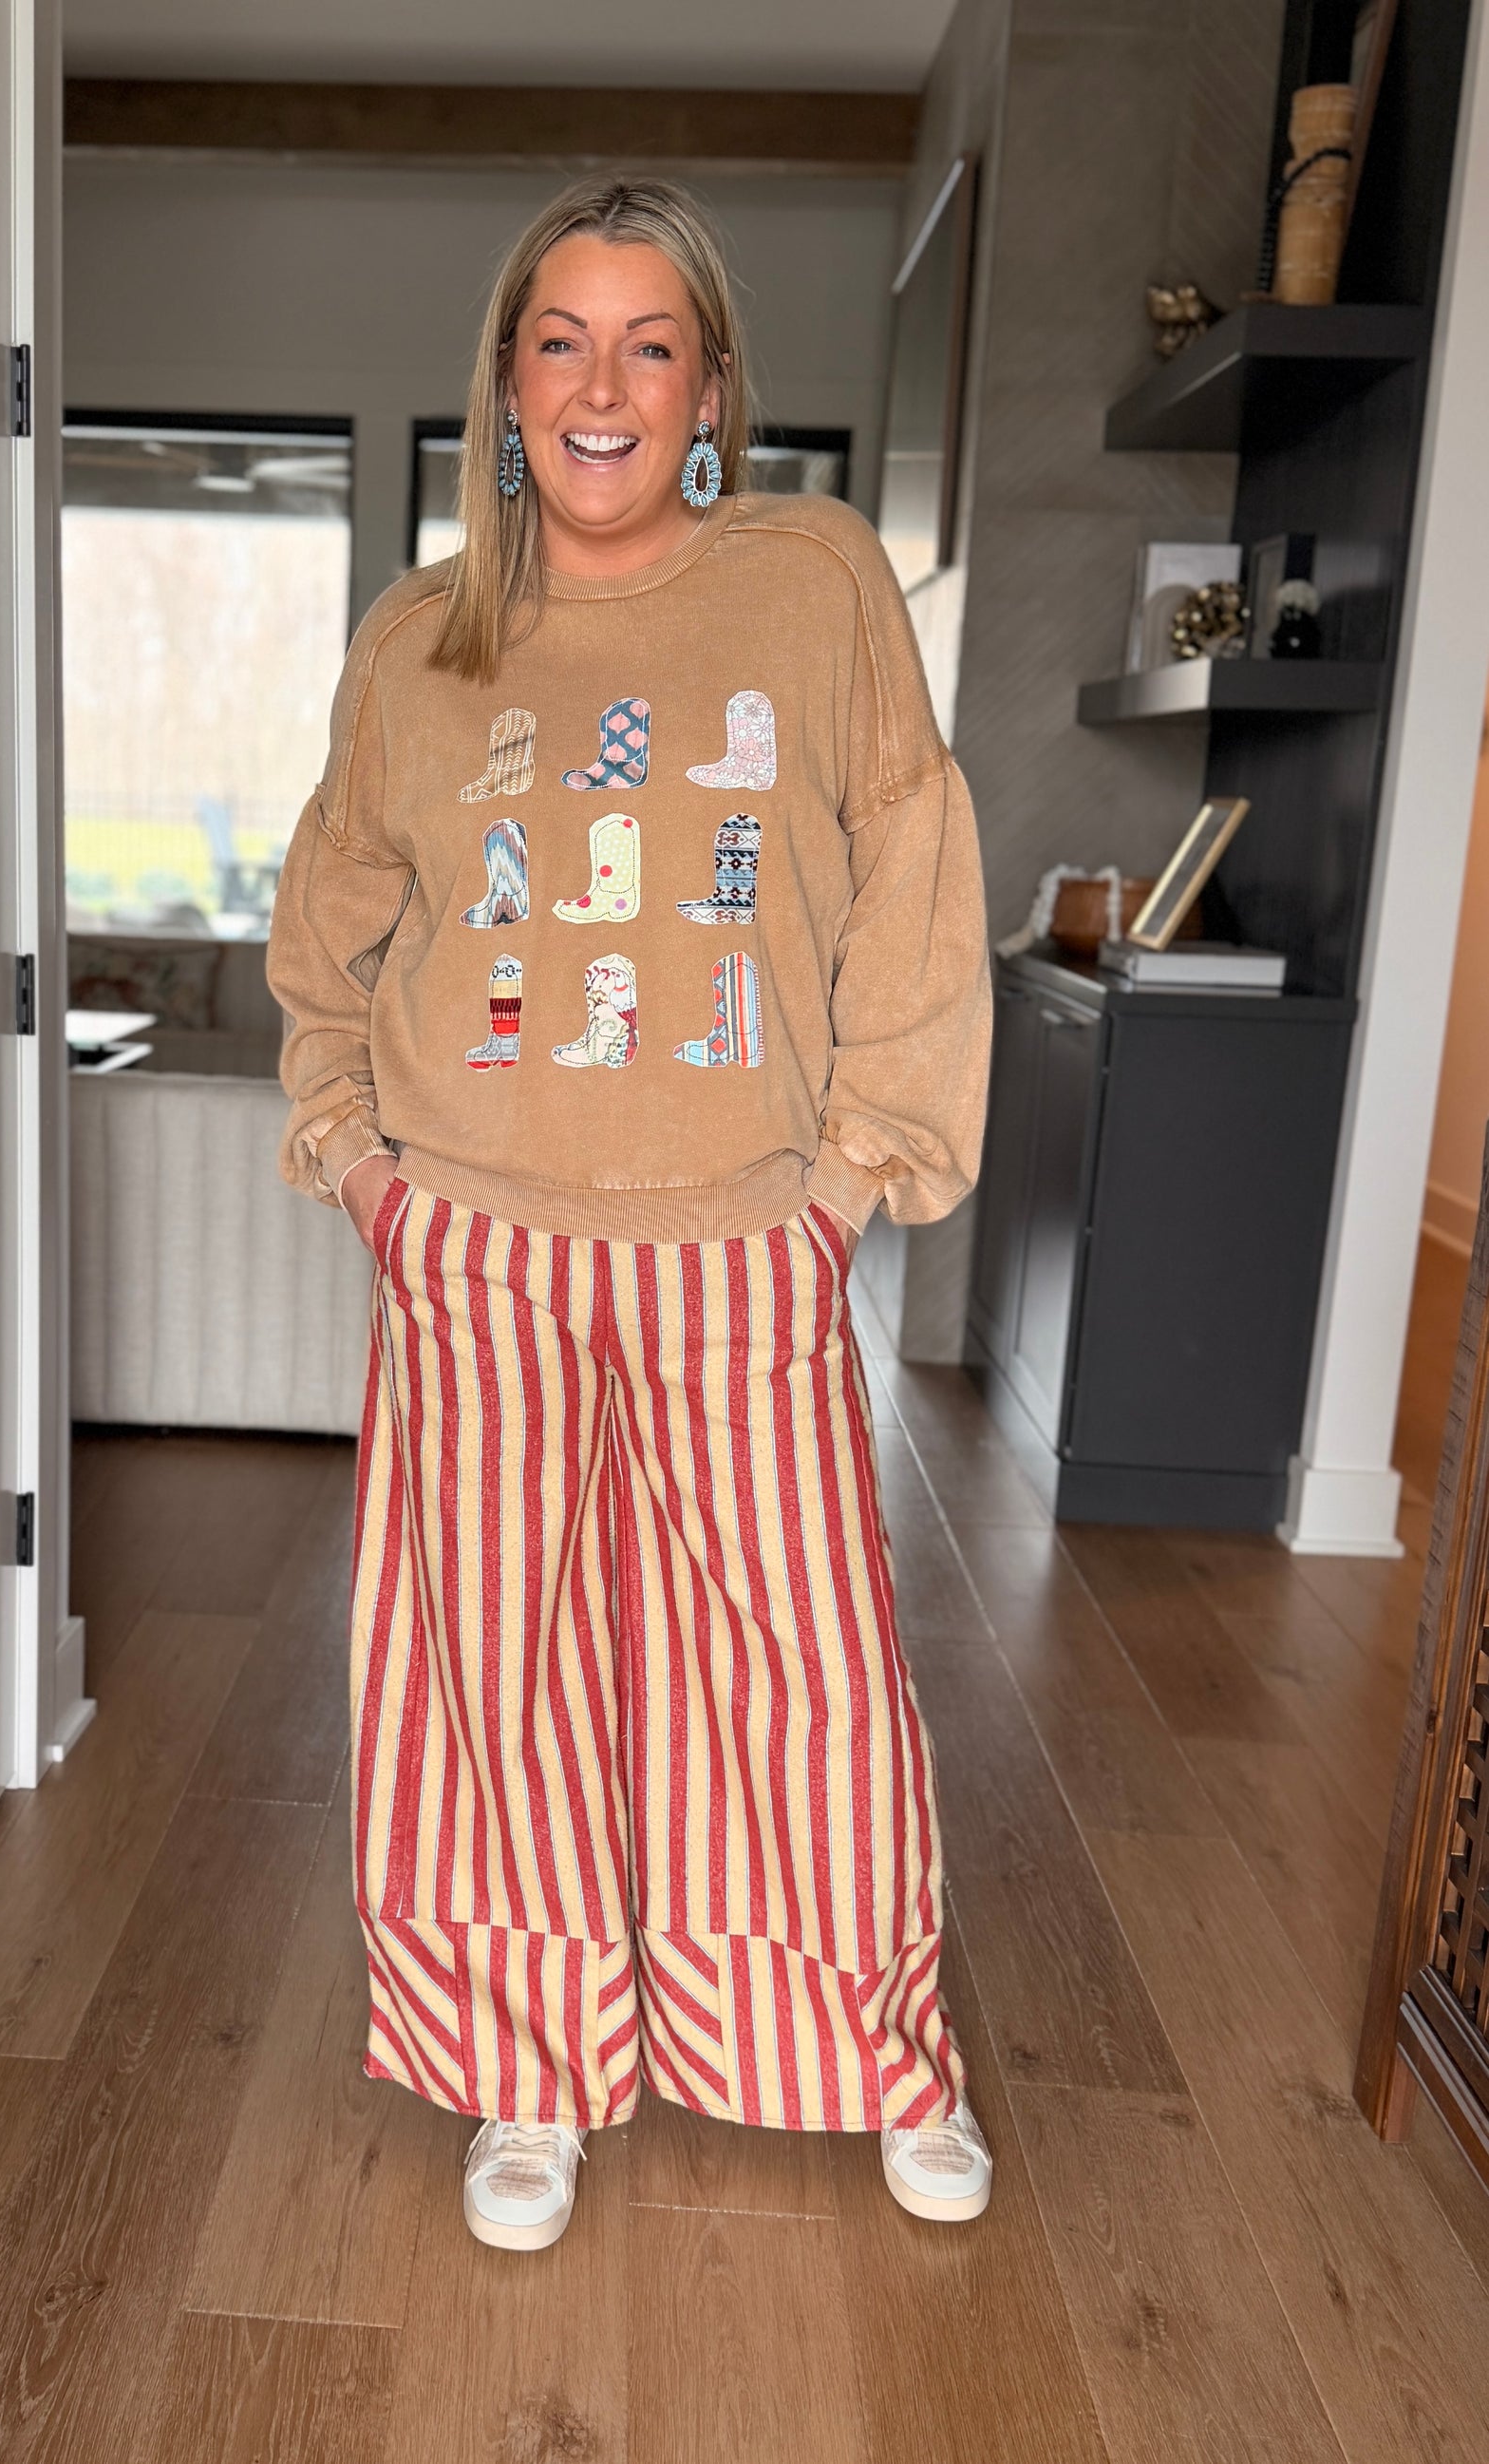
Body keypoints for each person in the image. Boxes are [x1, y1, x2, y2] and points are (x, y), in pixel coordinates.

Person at [267, 176, 993, 2252]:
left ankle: (874, 2049)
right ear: (506, 380)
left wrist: (855, 1181)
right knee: (491, 1669)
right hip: (472, 1244)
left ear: (708, 389)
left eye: (646, 342)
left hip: (744, 1238)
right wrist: (356, 1168)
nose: (601, 383)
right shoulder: (417, 634)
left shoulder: (814, 580)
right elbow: (325, 943)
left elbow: (919, 880)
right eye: (560, 340)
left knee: (801, 1662)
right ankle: (528, 2065)